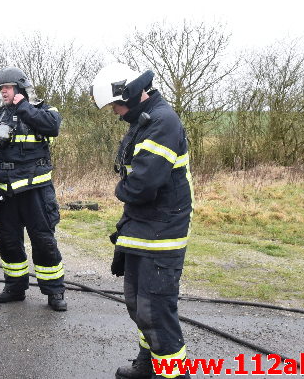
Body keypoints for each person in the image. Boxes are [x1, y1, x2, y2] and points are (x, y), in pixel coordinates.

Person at [90, 63, 193, 379]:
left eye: (117, 105)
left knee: (156, 312)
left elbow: (142, 185)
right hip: (144, 227)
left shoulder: (163, 122)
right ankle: (147, 366)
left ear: (131, 93)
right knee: (139, 306)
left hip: (161, 233)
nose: (116, 112)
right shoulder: (146, 120)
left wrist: (121, 188)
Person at [0, 66, 67, 311]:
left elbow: (52, 127)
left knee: (43, 241)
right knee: (8, 241)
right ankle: (15, 287)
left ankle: (54, 291)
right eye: (1, 89)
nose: (2, 93)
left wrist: (24, 106)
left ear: (20, 88)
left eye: (6, 88)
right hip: (6, 192)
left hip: (36, 191)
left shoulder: (44, 110)